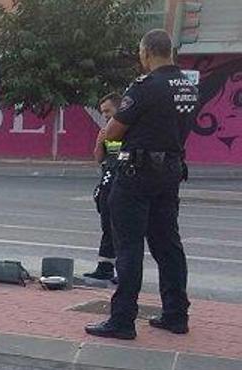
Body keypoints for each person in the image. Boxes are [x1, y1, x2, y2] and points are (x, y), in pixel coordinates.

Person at [85, 29, 198, 340]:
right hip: (171, 172)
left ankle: (122, 319)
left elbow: (113, 132)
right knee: (168, 246)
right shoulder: (188, 88)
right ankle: (176, 314)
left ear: (147, 52)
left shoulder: (145, 87)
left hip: (136, 174)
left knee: (129, 248)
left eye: (140, 53)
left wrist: (111, 130)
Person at [84, 93, 123, 282]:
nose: (105, 115)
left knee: (121, 228)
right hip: (107, 179)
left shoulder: (127, 128)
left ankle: (123, 271)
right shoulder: (107, 130)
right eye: (103, 112)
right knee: (107, 226)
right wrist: (100, 141)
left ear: (119, 108)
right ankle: (105, 267)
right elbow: (99, 157)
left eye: (108, 111)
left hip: (122, 180)